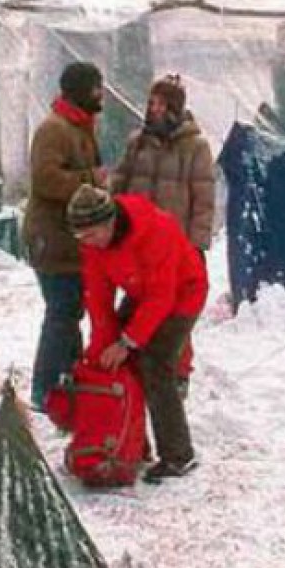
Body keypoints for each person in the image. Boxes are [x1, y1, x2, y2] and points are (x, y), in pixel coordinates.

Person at [67, 183, 207, 480]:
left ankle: (178, 454)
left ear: (109, 222)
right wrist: (101, 349)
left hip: (183, 292)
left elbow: (162, 297)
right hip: (141, 291)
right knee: (120, 363)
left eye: (91, 235)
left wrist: (127, 342)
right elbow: (99, 299)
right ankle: (130, 443)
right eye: (80, 238)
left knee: (154, 365)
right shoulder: (92, 243)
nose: (87, 243)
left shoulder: (156, 231)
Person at [24, 61, 106, 410]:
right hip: (51, 239)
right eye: (96, 88)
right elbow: (46, 180)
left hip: (69, 240)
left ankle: (67, 382)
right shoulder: (54, 129)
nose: (101, 94)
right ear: (80, 91)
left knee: (70, 310)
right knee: (62, 311)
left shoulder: (80, 126)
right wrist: (92, 179)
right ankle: (45, 389)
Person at [111, 74, 215, 251]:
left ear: (174, 107)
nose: (154, 109)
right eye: (151, 103)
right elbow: (118, 186)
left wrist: (195, 246)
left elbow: (203, 202)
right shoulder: (137, 143)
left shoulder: (195, 147)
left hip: (174, 244)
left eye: (161, 104)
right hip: (137, 240)